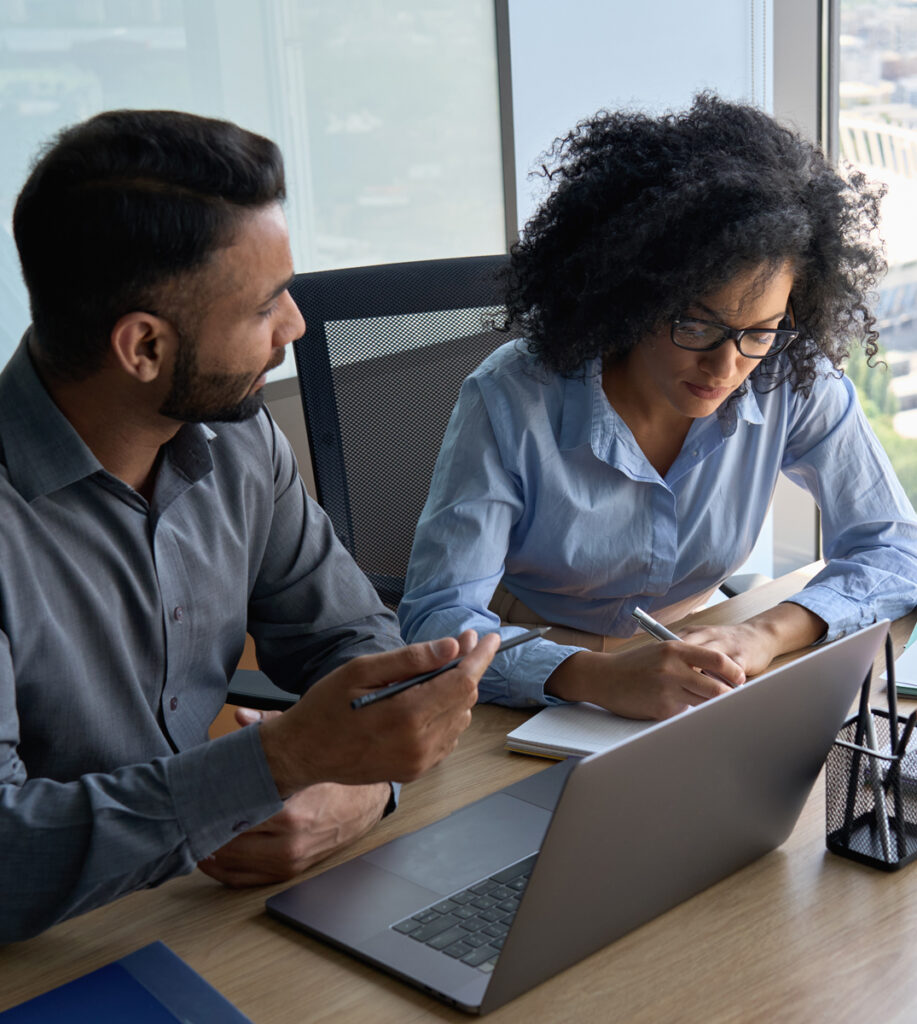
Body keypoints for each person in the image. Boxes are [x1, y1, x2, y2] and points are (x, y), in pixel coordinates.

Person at [0, 109, 500, 943]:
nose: (295, 326)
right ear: (145, 348)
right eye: (266, 304)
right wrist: (283, 763)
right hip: (57, 954)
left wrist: (360, 791)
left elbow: (352, 637)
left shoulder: (234, 437)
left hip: (208, 914)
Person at [399, 92, 917, 719]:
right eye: (697, 327)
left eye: (760, 329)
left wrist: (764, 632)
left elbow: (895, 550)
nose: (728, 368)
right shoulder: (513, 397)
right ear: (634, 299)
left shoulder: (789, 375)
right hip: (525, 677)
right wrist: (599, 677)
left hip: (692, 658)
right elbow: (436, 620)